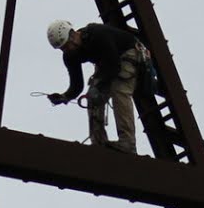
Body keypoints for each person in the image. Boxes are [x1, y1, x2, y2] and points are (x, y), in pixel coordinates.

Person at [45, 19, 150, 153]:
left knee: (119, 90)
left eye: (67, 45)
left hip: (128, 53)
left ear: (72, 35)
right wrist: (65, 96)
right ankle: (99, 142)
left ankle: (127, 142)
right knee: (92, 97)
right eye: (62, 48)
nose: (66, 50)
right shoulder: (69, 56)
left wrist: (99, 87)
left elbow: (114, 66)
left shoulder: (97, 35)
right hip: (107, 62)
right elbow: (77, 85)